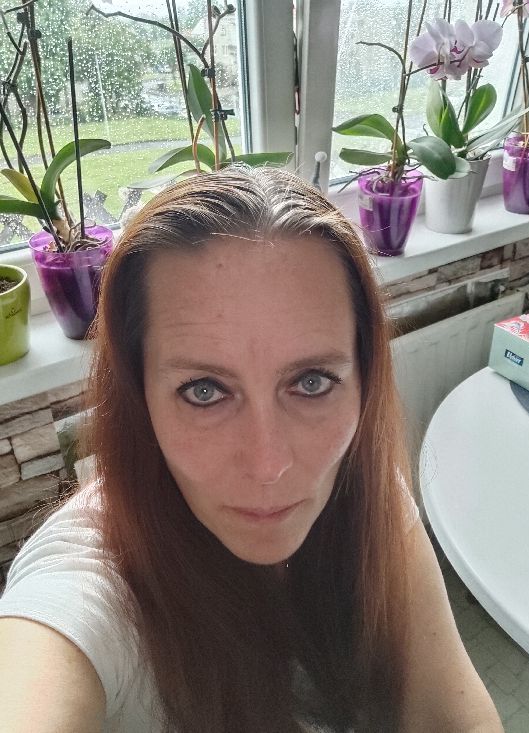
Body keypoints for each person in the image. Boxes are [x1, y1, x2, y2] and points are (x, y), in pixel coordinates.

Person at [0, 166, 503, 733]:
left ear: (362, 377)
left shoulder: (355, 475)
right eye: (204, 391)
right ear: (141, 398)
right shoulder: (84, 591)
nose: (269, 466)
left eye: (311, 382)